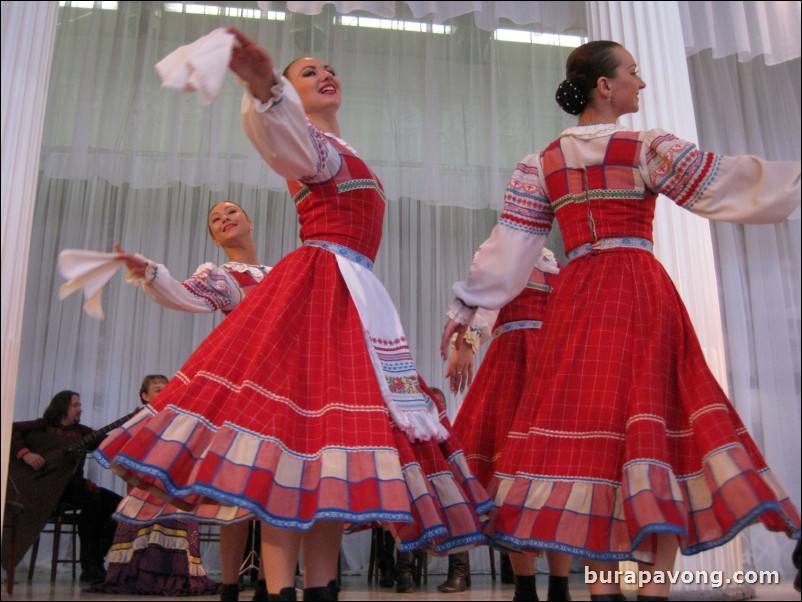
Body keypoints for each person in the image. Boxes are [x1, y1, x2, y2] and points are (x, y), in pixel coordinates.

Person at [96, 28, 490, 602]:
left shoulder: (346, 150)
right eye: (308, 72)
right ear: (291, 92)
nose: (325, 75)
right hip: (319, 289)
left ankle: (322, 588)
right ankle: (280, 590)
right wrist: (264, 89)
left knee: (327, 449)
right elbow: (283, 142)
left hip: (357, 295)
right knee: (287, 447)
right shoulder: (309, 143)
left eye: (328, 69)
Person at [441, 40, 801, 601]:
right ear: (604, 86)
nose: (641, 82)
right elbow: (719, 182)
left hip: (579, 299)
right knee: (649, 430)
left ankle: (605, 590)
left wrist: (467, 312)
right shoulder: (645, 145)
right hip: (634, 291)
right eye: (633, 72)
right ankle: (650, 592)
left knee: (594, 445)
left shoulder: (541, 164)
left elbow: (507, 250)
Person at [114, 201, 272, 600]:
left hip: (283, 384)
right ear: (215, 237)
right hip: (246, 386)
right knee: (236, 492)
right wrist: (151, 273)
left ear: (250, 222)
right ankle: (233, 587)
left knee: (274, 488)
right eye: (216, 219)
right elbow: (187, 297)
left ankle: (275, 583)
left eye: (233, 212)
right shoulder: (222, 276)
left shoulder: (279, 275)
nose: (225, 219)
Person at [440, 251, 573, 602]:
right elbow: (484, 308)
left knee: (558, 480)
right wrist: (466, 344)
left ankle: (560, 587)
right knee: (511, 482)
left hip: (553, 371)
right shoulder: (505, 259)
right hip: (512, 367)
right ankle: (525, 588)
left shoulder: (559, 267)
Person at [90, 375, 220, 595]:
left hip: (172, 487)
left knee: (178, 512)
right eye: (159, 390)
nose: (166, 394)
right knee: (133, 510)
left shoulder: (181, 420)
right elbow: (125, 455)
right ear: (145, 396)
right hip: (145, 488)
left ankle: (176, 575)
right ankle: (133, 574)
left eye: (169, 390)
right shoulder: (141, 419)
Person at [10, 391, 123, 585]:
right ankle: (89, 567)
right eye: (75, 405)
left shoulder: (82, 433)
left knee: (120, 506)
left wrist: (134, 426)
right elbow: (10, 429)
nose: (80, 409)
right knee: (93, 503)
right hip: (50, 489)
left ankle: (96, 561)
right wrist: (26, 454)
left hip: (74, 486)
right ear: (62, 407)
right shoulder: (43, 426)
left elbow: (109, 442)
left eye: (79, 405)